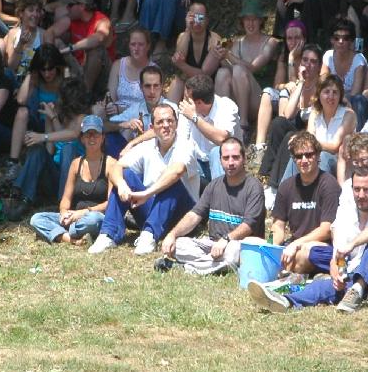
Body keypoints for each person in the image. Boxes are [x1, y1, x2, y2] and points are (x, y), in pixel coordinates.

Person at [252, 162, 368, 314]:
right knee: (322, 286)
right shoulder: (346, 211)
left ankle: (357, 289)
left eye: (366, 190)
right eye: (357, 189)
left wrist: (353, 244)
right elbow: (339, 253)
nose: (361, 195)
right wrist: (337, 270)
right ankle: (286, 301)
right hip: (357, 275)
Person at [91, 101, 201, 255]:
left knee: (172, 183)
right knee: (126, 175)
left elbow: (177, 171)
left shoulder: (187, 145)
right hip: (153, 210)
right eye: (160, 122)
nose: (166, 125)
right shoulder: (147, 146)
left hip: (182, 216)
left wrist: (146, 194)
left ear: (176, 124)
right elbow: (116, 167)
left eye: (170, 121)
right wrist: (122, 185)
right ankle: (108, 234)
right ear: (152, 127)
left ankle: (149, 236)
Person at [155, 137, 265, 275]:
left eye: (235, 157)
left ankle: (186, 268)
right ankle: (210, 264)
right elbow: (194, 215)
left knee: (232, 253)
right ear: (220, 160)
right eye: (226, 158)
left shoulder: (254, 187)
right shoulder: (214, 186)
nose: (230, 162)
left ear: (244, 159)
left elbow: (249, 225)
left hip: (241, 245)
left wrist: (227, 239)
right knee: (179, 245)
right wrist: (172, 234)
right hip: (213, 244)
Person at [30, 114, 115, 245]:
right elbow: (66, 198)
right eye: (88, 134)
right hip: (74, 216)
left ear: (103, 138)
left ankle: (61, 233)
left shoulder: (111, 164)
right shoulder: (76, 164)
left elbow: (110, 203)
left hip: (94, 216)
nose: (92, 138)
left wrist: (83, 213)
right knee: (36, 218)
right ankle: (71, 239)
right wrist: (64, 212)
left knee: (94, 220)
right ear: (82, 138)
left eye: (96, 134)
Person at [270, 131, 342, 277]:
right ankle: (296, 272)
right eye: (298, 156)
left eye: (309, 155)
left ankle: (291, 272)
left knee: (305, 253)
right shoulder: (286, 186)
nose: (304, 160)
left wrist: (296, 244)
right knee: (251, 243)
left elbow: (326, 230)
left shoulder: (329, 184)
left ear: (318, 156)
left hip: (322, 246)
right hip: (295, 245)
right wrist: (270, 247)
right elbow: (278, 226)